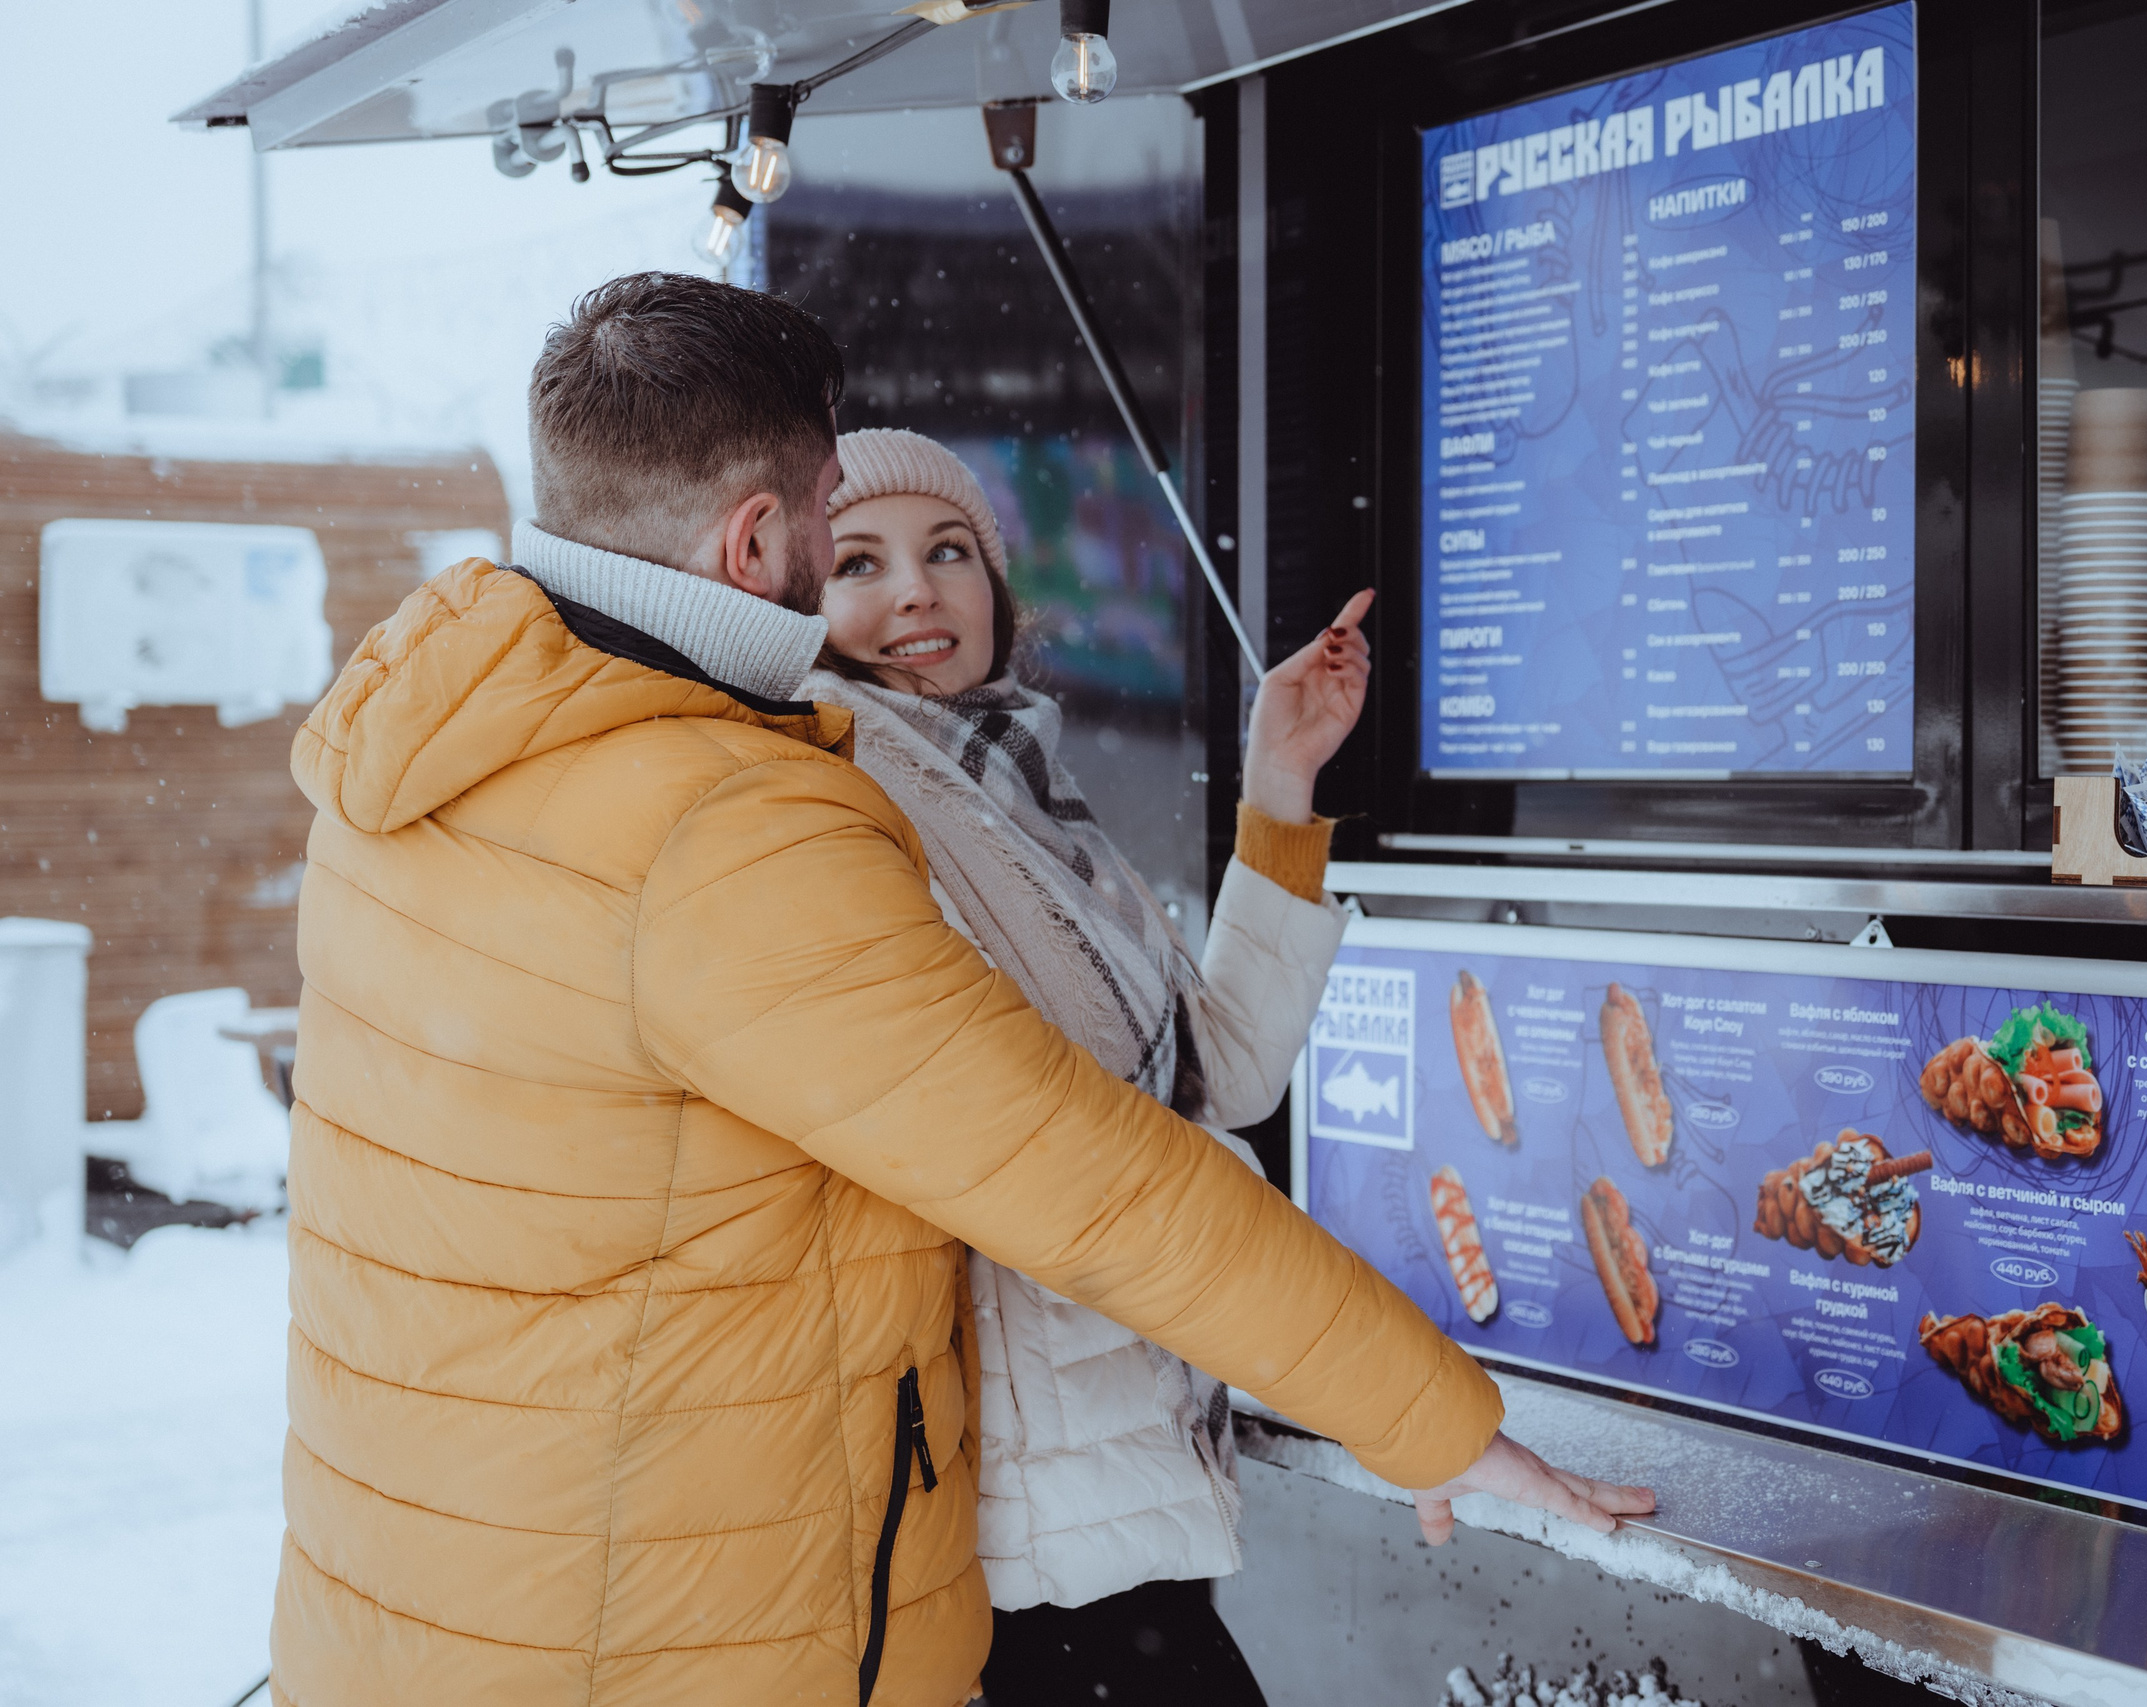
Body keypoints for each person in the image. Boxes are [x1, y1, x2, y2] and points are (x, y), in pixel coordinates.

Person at [273, 273, 1650, 1707]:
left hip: (452, 1593)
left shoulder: (440, 751)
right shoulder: (728, 818)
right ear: (754, 543)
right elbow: (1089, 1178)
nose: (875, 574)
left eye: (942, 549)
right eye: (829, 524)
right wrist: (1434, 1418)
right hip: (661, 1626)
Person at [800, 428, 1374, 1703]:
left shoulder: (1021, 789)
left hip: (1128, 1451)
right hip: (1017, 1501)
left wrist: (1282, 787)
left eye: (948, 549)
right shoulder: (843, 797)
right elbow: (1031, 1151)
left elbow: (1216, 1077)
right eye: (857, 562)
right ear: (797, 599)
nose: (916, 590)